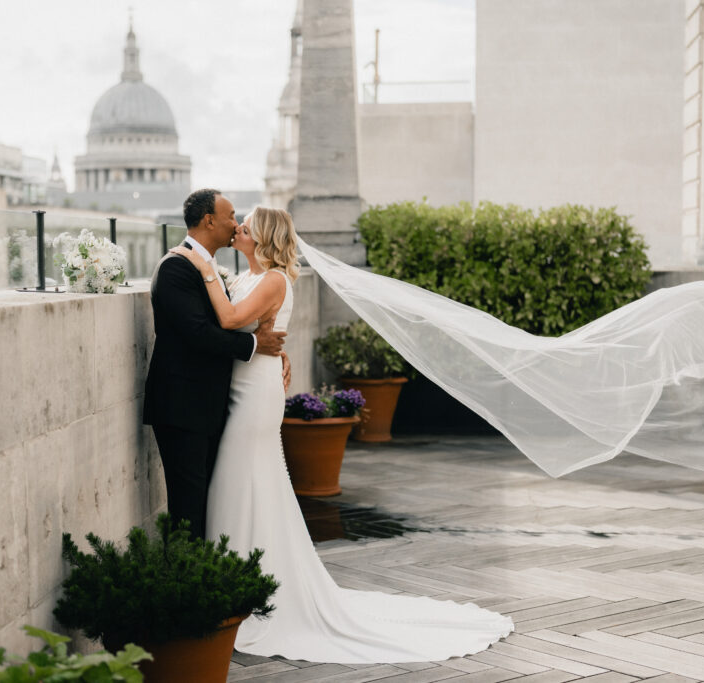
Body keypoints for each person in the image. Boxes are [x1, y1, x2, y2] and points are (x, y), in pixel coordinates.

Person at [170, 207, 513, 663]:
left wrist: (202, 268)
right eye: (239, 222)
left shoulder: (272, 279)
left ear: (265, 237)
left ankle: (251, 590)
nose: (239, 228)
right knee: (244, 481)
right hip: (243, 386)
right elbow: (233, 323)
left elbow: (231, 321)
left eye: (248, 226)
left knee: (246, 476)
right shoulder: (244, 278)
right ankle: (242, 579)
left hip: (255, 396)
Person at [142, 189, 288, 540]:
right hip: (182, 407)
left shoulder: (211, 270)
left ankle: (207, 582)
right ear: (209, 220)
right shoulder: (176, 266)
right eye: (231, 216)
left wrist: (272, 346)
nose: (235, 224)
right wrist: (256, 344)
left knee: (208, 503)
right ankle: (187, 587)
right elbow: (198, 333)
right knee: (188, 507)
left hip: (209, 404)